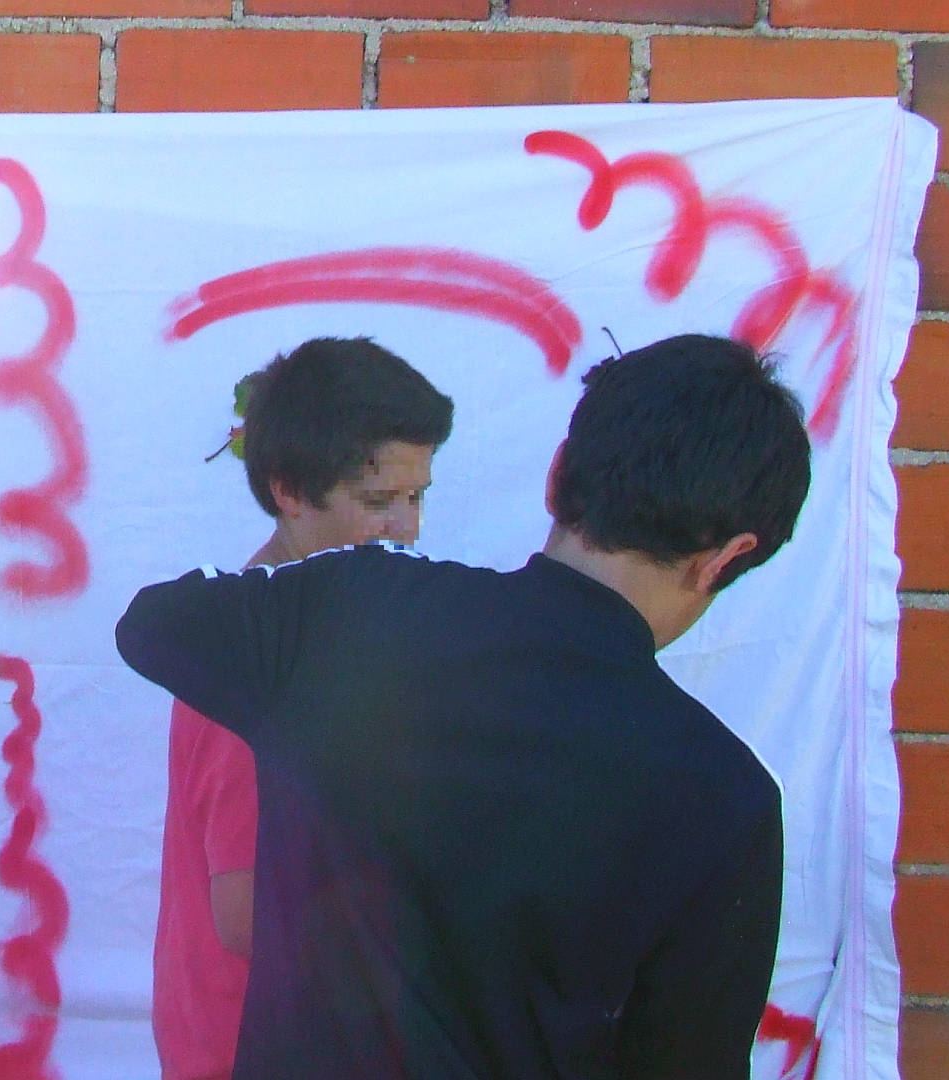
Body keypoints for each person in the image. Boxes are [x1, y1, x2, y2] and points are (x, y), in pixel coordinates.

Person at [117, 334, 808, 1080]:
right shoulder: (725, 799)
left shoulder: (352, 609)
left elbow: (152, 624)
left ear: (557, 478)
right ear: (726, 556)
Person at [155, 337, 453, 1080]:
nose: (408, 528)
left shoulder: (315, 626)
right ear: (289, 491)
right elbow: (247, 913)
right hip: (252, 1049)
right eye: (378, 502)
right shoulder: (253, 657)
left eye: (417, 497)